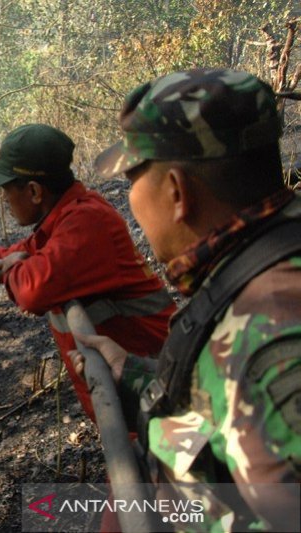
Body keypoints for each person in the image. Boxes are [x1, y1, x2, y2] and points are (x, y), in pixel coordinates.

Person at [72, 68, 301, 531]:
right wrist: (134, 375)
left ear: (176, 192)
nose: (129, 197)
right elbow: (223, 414)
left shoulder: (271, 335)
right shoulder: (259, 262)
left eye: (133, 178)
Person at [0, 123, 176, 423]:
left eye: (5, 190)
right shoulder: (61, 221)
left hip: (161, 393)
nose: (4, 200)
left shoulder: (86, 222)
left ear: (35, 191)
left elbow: (31, 289)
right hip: (136, 400)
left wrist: (15, 268)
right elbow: (14, 254)